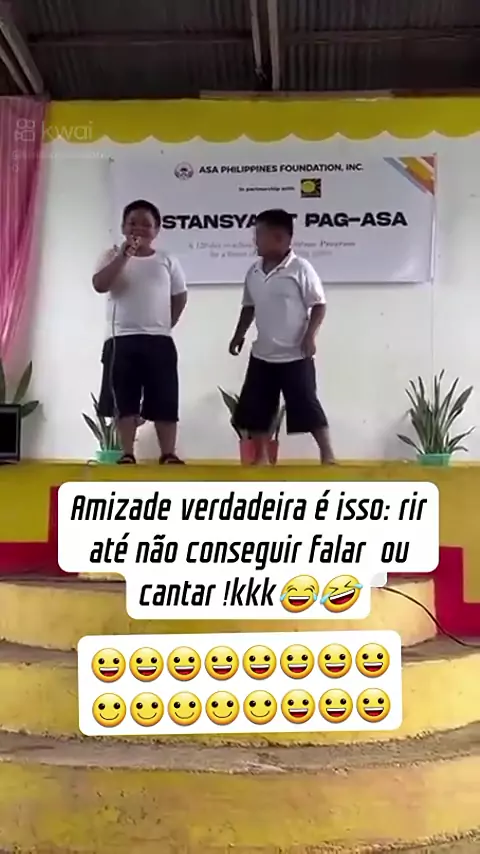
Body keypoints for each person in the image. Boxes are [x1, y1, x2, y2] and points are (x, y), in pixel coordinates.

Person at [228, 208, 334, 464]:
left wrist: (310, 336)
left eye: (259, 235)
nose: (255, 241)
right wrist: (238, 335)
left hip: (295, 353)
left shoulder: (300, 268)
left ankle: (327, 453)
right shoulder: (254, 271)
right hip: (262, 354)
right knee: (257, 408)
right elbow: (249, 307)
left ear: (279, 237)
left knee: (307, 404)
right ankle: (262, 458)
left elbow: (319, 305)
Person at [92, 199, 187, 464]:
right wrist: (124, 256)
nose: (139, 228)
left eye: (146, 224)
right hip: (121, 339)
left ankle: (168, 453)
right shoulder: (111, 255)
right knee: (125, 400)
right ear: (123, 227)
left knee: (165, 399)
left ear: (156, 229)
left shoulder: (167, 259)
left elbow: (179, 296)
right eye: (133, 223)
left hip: (160, 340)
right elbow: (100, 285)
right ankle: (127, 453)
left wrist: (166, 325)